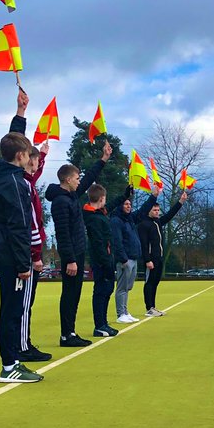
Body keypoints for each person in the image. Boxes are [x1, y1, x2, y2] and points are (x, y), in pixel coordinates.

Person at [0, 132, 44, 384]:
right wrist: (23, 264)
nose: (31, 158)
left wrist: (20, 116)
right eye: (28, 153)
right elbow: (19, 225)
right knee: (11, 311)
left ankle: (13, 362)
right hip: (12, 257)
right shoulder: (15, 183)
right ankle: (9, 365)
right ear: (20, 156)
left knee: (11, 309)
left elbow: (11, 141)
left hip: (5, 253)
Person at [45, 141, 112, 346]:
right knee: (69, 293)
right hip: (71, 255)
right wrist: (70, 260)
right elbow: (62, 233)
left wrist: (103, 159)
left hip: (78, 252)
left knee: (75, 293)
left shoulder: (71, 195)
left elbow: (90, 177)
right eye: (76, 178)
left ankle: (71, 332)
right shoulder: (60, 201)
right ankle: (66, 334)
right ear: (66, 179)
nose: (79, 181)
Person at [8, 87, 51, 363]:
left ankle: (23, 343)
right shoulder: (15, 180)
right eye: (33, 160)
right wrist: (34, 257)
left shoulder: (27, 183)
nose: (35, 165)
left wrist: (43, 155)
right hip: (22, 255)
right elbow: (12, 144)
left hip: (27, 253)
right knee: (21, 305)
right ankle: (21, 347)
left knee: (25, 304)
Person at [110, 185, 157, 323]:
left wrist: (153, 196)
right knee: (122, 287)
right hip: (125, 260)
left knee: (128, 287)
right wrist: (123, 258)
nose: (128, 206)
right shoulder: (116, 221)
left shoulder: (130, 219)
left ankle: (125, 311)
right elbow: (117, 241)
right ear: (120, 205)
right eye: (125, 203)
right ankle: (120, 314)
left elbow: (142, 211)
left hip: (133, 258)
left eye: (130, 204)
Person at [138, 190, 189, 315]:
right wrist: (147, 260)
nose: (157, 212)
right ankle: (149, 308)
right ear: (149, 210)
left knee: (155, 282)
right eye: (154, 210)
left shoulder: (158, 222)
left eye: (158, 210)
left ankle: (153, 306)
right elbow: (144, 244)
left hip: (159, 257)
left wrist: (180, 202)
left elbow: (170, 215)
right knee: (149, 283)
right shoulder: (144, 224)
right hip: (151, 259)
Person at [82, 183, 119, 338]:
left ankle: (103, 323)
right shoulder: (93, 218)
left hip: (106, 259)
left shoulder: (100, 213)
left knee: (107, 290)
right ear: (102, 198)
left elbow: (110, 206)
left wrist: (124, 195)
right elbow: (98, 243)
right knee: (100, 292)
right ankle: (99, 325)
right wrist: (106, 263)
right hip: (101, 261)